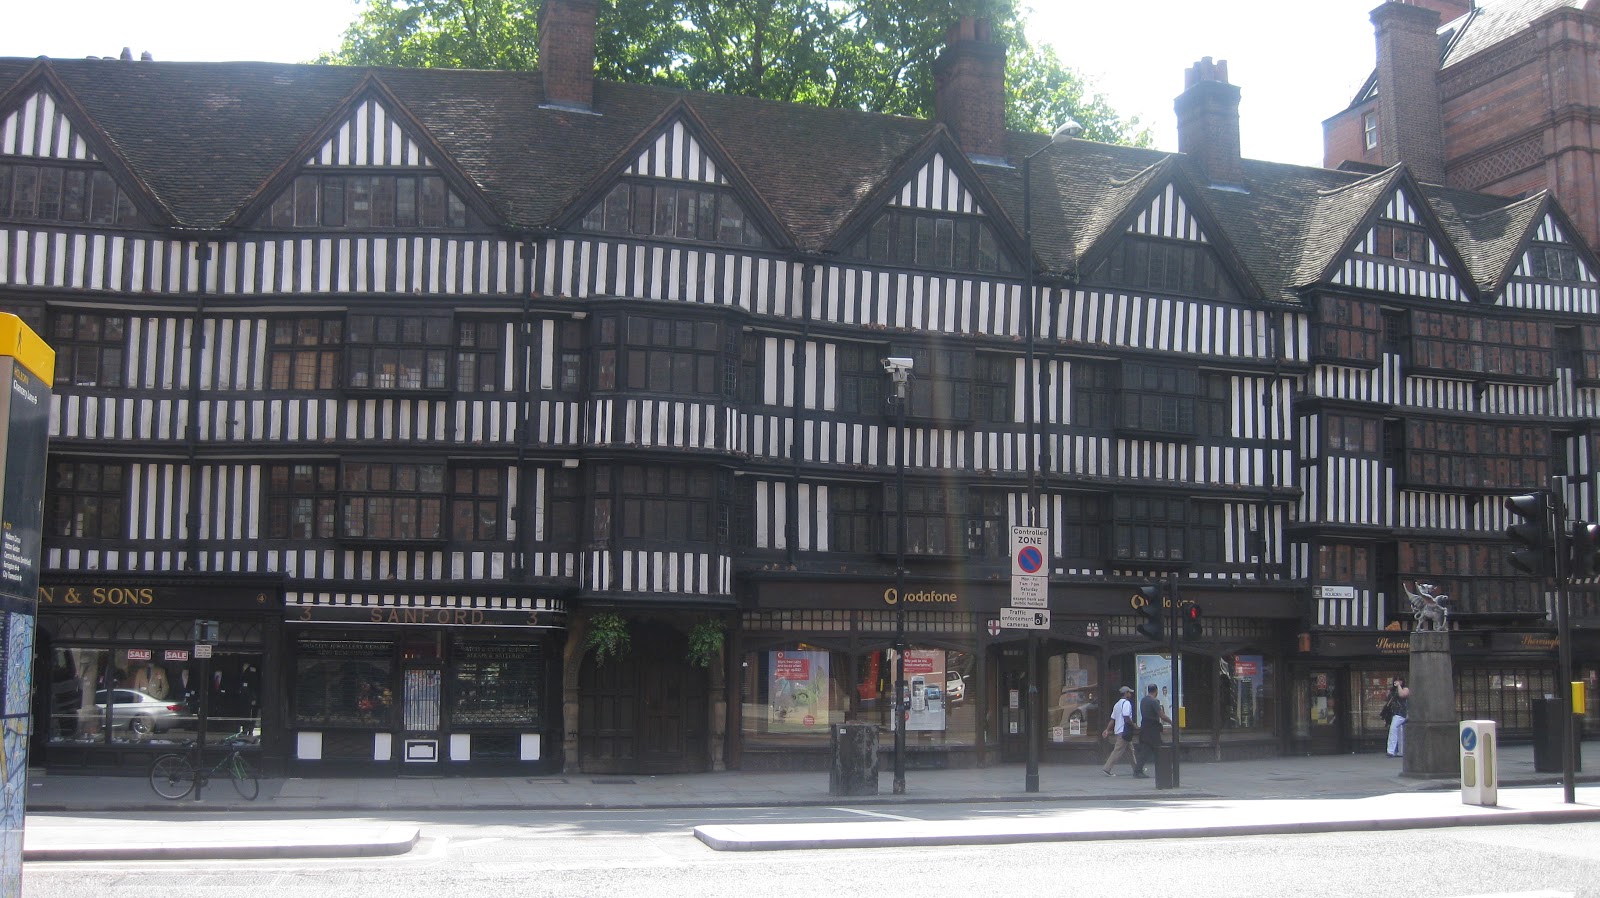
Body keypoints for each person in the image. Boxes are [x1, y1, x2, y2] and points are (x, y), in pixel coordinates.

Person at [1133, 683, 1172, 778]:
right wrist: (1171, 722)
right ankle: (1163, 769)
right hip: (1152, 729)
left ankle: (1162, 769)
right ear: (1156, 691)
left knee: (1148, 749)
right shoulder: (1154, 702)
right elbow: (1161, 715)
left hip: (1145, 727)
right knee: (1158, 748)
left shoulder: (1143, 700)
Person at [1100, 685, 1137, 776]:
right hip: (1124, 730)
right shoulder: (1127, 703)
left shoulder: (1117, 705)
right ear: (1125, 694)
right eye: (1129, 692)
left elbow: (1112, 719)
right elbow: (1126, 716)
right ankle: (1107, 768)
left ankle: (1137, 768)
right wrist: (1133, 725)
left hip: (1119, 730)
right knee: (1118, 750)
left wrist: (1107, 730)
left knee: (1130, 750)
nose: (1130, 694)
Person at [1384, 679, 1409, 758]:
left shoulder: (1405, 689)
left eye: (1399, 681)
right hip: (1394, 713)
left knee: (1393, 729)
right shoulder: (1393, 691)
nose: (1397, 682)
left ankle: (1391, 751)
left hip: (1401, 713)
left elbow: (1402, 695)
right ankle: (1400, 751)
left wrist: (1398, 686)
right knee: (1399, 732)